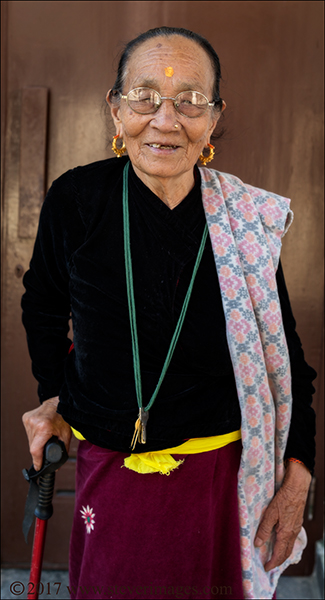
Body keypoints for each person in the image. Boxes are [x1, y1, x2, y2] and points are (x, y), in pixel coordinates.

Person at [22, 26, 316, 600]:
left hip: (223, 480)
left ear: (213, 117)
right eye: (144, 97)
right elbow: (44, 306)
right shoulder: (77, 201)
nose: (165, 119)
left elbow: (286, 358)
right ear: (114, 108)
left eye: (189, 100)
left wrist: (297, 474)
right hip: (110, 469)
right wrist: (53, 394)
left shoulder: (245, 224)